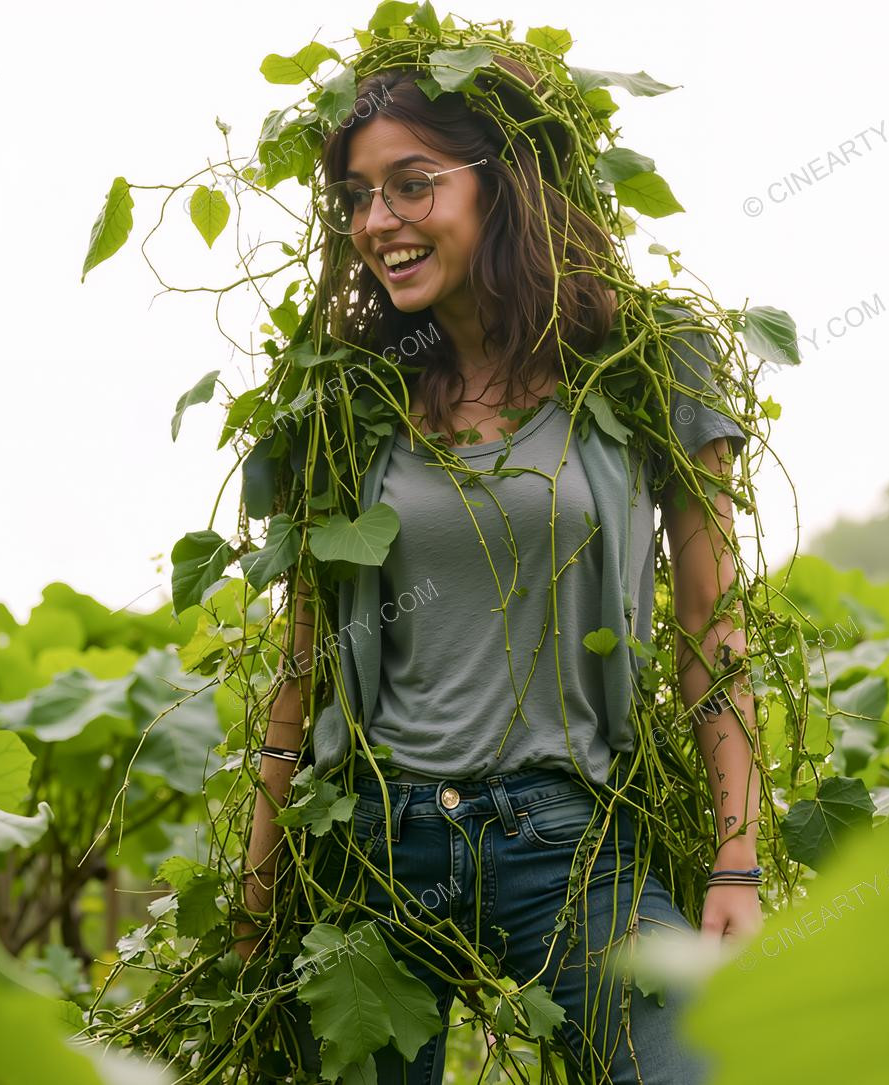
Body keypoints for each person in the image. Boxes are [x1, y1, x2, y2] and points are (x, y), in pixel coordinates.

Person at [230, 57, 764, 1085]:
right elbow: (305, 668)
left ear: (502, 179)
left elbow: (712, 625)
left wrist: (734, 854)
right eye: (355, 196)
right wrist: (259, 892)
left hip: (568, 841)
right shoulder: (349, 400)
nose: (377, 220)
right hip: (375, 848)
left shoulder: (647, 359)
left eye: (412, 181)